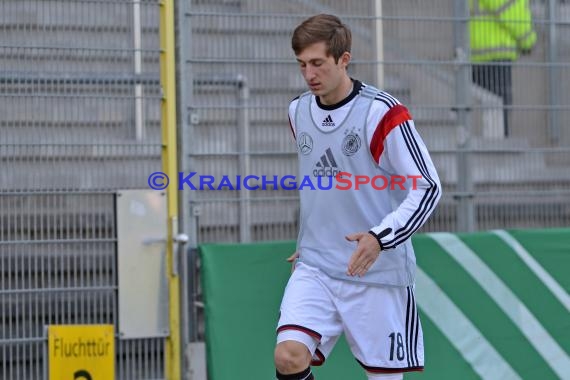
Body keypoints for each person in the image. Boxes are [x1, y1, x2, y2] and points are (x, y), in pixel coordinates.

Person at [274, 14, 441, 380]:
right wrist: (309, 239)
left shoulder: (382, 113)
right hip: (316, 267)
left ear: (343, 60)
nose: (309, 74)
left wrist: (380, 239)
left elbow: (428, 187)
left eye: (318, 63)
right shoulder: (298, 111)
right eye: (302, 65)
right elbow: (322, 183)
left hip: (374, 273)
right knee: (288, 356)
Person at [470, 0, 537, 137]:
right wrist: (528, 40)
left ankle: (492, 151)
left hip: (478, 53)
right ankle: (496, 154)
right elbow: (511, 10)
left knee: (488, 114)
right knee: (497, 115)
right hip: (495, 53)